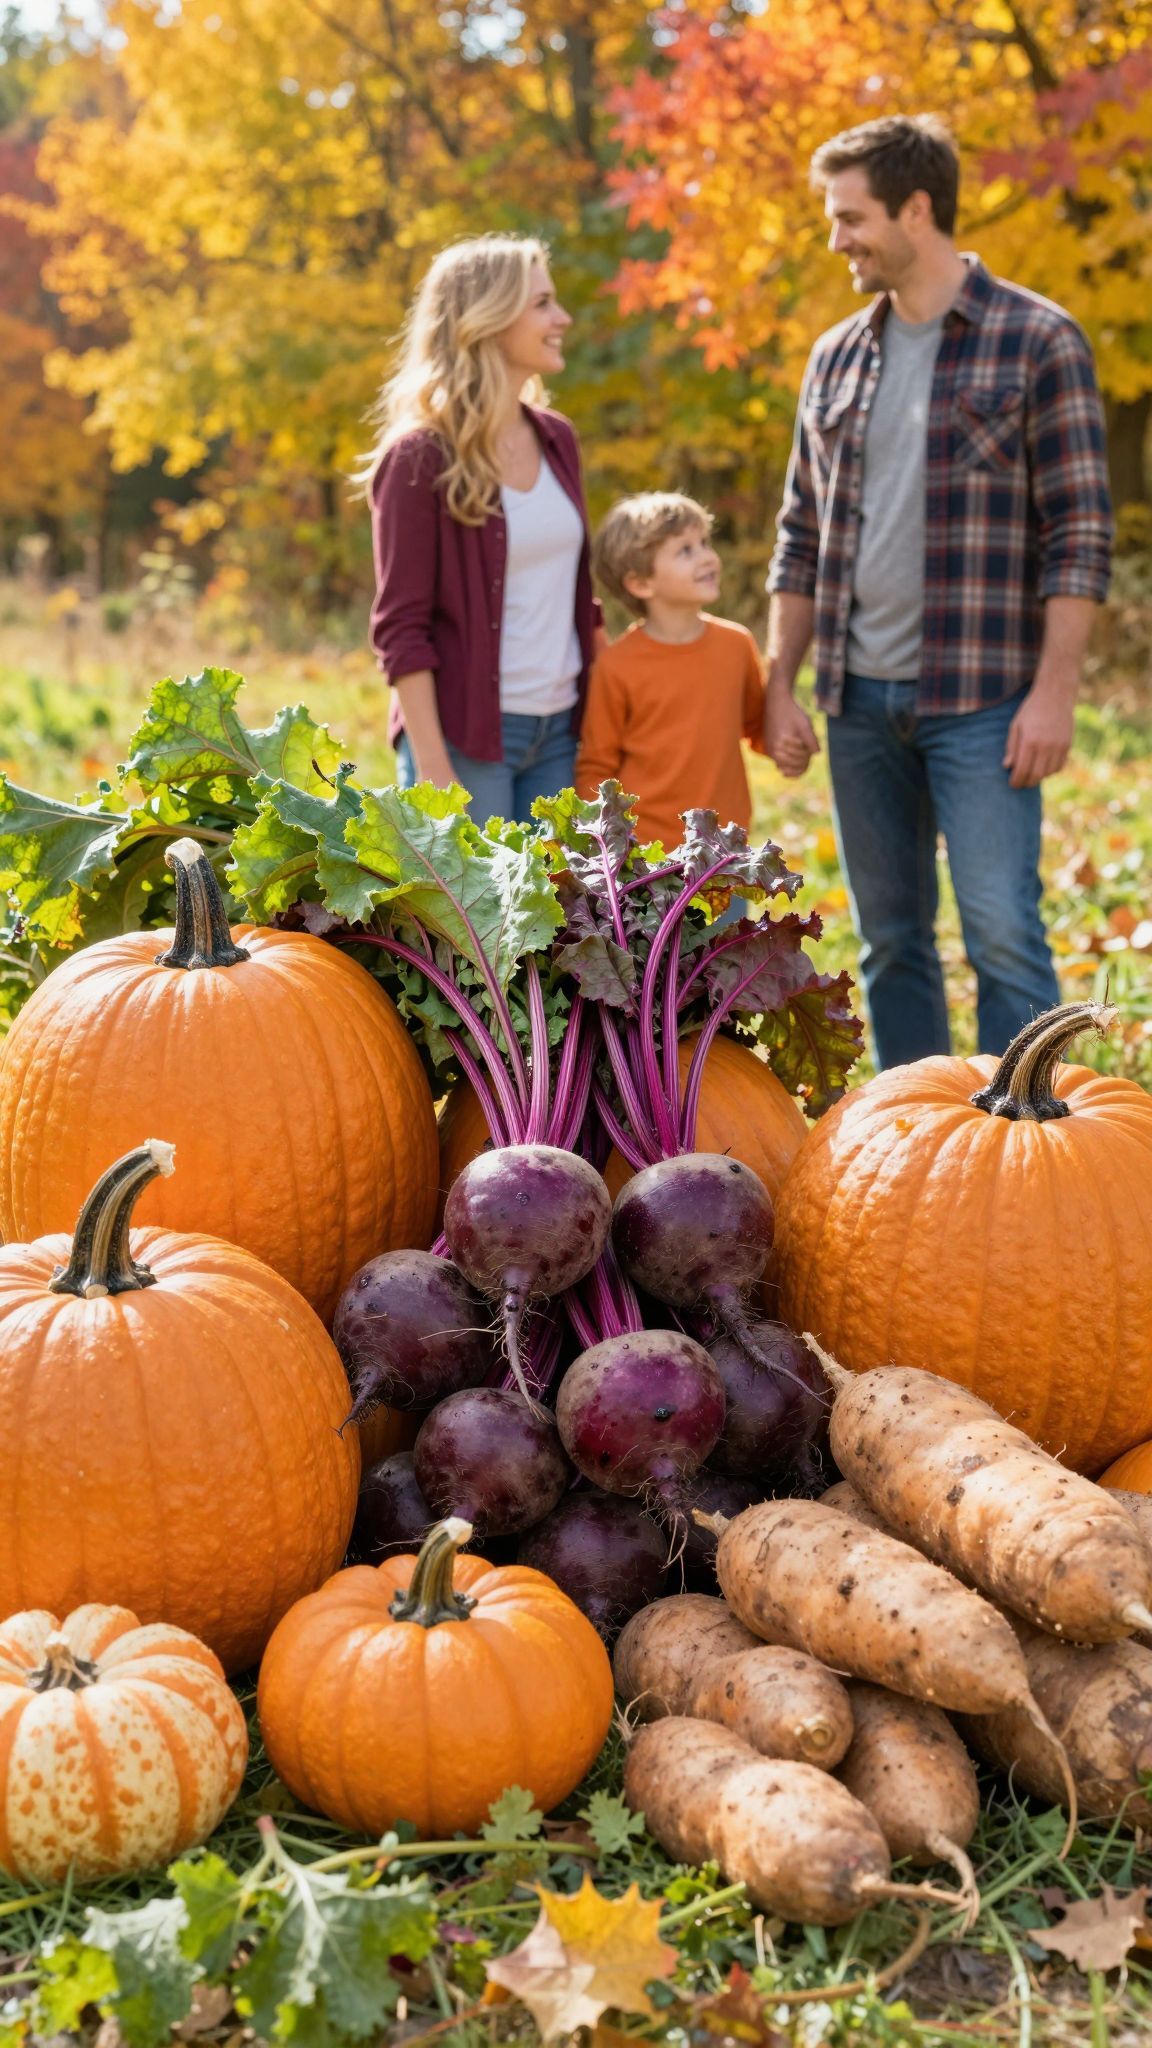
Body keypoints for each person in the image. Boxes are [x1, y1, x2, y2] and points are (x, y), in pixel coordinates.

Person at [763, 114, 1113, 1067]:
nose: (837, 239)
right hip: (859, 700)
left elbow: (1080, 537)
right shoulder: (835, 356)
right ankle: (923, 1153)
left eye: (851, 217)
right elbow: (800, 532)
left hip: (986, 700)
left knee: (1004, 933)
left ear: (918, 210)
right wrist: (778, 680)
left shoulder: (1039, 340)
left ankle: (1032, 1145)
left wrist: (1055, 692)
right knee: (891, 942)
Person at [365, 234, 600, 821]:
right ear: (488, 319)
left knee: (559, 915)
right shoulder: (420, 459)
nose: (561, 317)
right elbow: (402, 630)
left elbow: (577, 597)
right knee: (479, 915)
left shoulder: (557, 438)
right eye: (542, 303)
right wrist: (433, 771)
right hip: (465, 743)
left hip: (563, 732)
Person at [575, 492, 765, 851]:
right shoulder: (616, 666)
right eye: (685, 550)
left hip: (726, 848)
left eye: (705, 543)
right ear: (641, 583)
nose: (708, 557)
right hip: (648, 854)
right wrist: (606, 844)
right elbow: (596, 767)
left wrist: (791, 741)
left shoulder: (737, 645)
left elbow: (757, 725)